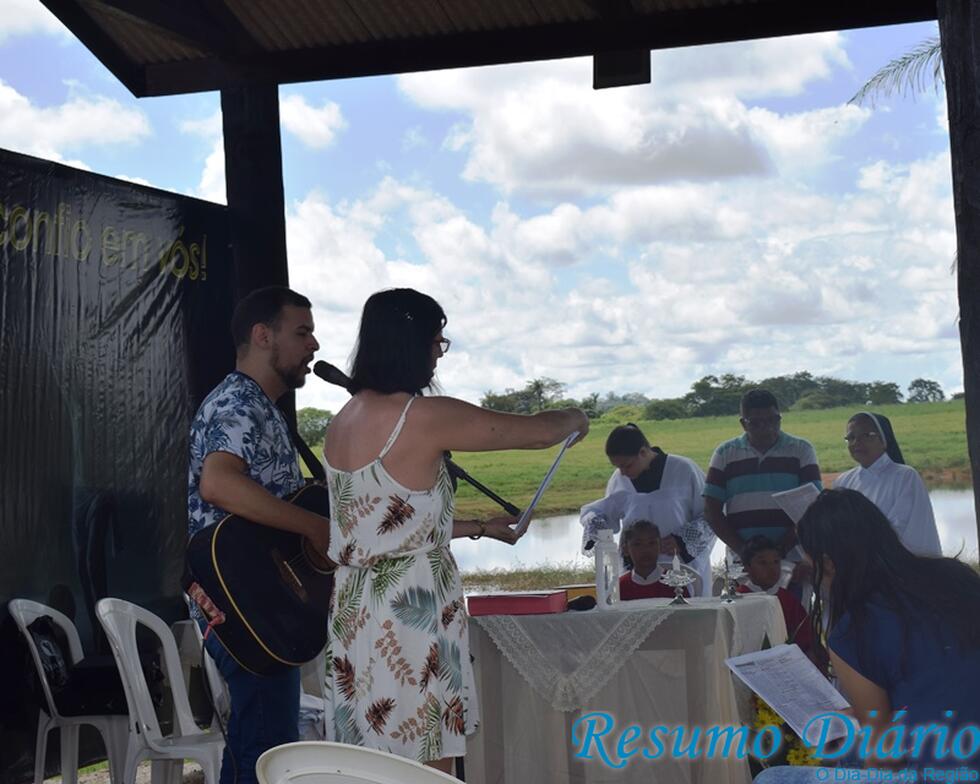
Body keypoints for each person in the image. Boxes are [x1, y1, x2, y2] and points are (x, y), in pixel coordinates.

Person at [321, 288, 588, 773]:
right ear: (413, 344)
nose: (438, 354)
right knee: (426, 764)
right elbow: (536, 433)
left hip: (356, 608)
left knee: (368, 763)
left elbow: (389, 528)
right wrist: (575, 417)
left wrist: (481, 527)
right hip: (411, 610)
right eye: (437, 342)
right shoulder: (423, 416)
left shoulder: (343, 419)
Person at [187, 286, 329, 784]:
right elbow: (219, 483)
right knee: (267, 752)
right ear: (263, 335)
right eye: (302, 332)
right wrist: (313, 525)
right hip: (245, 605)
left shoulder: (259, 407)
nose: (314, 345)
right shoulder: (240, 404)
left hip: (257, 601)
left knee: (257, 745)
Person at [753, 489, 980, 783]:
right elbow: (940, 679)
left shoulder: (854, 630)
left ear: (829, 563)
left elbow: (885, 757)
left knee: (772, 779)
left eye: (813, 567)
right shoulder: (957, 576)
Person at [703, 388, 822, 589]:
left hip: (792, 563)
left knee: (790, 609)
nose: (767, 428)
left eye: (773, 420)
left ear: (780, 418)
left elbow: (813, 509)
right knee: (746, 610)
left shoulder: (801, 450)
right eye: (756, 423)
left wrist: (780, 550)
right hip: (743, 565)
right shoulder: (725, 453)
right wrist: (745, 552)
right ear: (743, 424)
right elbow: (711, 510)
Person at [580, 424, 715, 596]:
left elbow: (711, 515)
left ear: (643, 452)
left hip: (682, 568)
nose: (622, 473)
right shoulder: (620, 479)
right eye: (618, 467)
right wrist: (596, 523)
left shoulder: (683, 469)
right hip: (637, 574)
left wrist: (683, 541)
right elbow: (603, 512)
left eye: (627, 465)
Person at [832, 411, 941, 556]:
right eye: (851, 438)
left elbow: (899, 528)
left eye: (866, 435)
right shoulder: (843, 481)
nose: (856, 442)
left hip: (899, 561)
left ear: (884, 440)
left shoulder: (905, 477)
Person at [736, 536, 813, 654]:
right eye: (763, 563)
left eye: (776, 562)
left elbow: (806, 637)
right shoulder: (739, 600)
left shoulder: (788, 599)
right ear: (747, 567)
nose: (772, 568)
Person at [618, 520, 689, 600]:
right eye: (638, 544)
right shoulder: (619, 587)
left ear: (660, 546)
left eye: (651, 543)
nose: (646, 549)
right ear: (626, 549)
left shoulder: (676, 585)